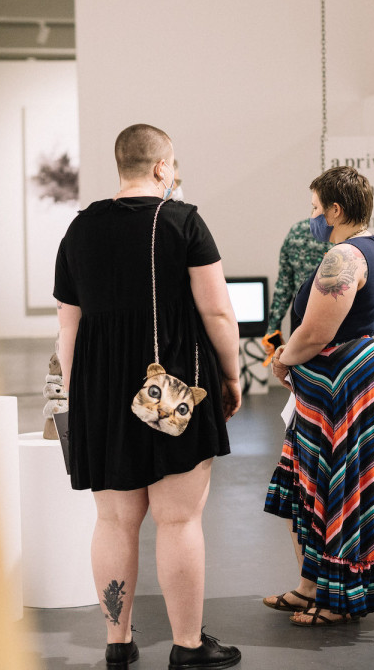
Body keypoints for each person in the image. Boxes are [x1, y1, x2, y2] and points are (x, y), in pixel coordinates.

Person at [54, 123, 242, 670]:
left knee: (113, 521)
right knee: (178, 520)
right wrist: (231, 377)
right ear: (162, 167)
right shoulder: (183, 221)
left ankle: (118, 640)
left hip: (99, 390)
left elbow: (68, 326)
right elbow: (217, 312)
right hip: (171, 386)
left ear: (121, 166)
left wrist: (80, 394)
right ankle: (187, 646)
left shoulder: (79, 230)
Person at [262, 166, 374, 626]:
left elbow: (317, 330)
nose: (312, 218)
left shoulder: (344, 257)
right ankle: (311, 586)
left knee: (342, 493)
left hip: (346, 384)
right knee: (317, 487)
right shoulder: (358, 250)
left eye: (315, 209)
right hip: (336, 384)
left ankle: (336, 600)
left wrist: (284, 357)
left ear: (336, 210)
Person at [264, 219, 329, 348]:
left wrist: (273, 328)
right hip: (334, 312)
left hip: (300, 313)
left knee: (299, 363)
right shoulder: (343, 234)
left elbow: (284, 283)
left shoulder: (297, 230)